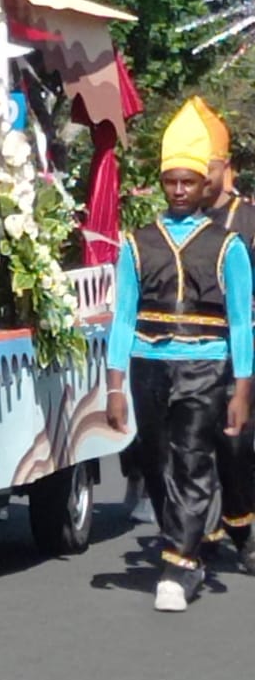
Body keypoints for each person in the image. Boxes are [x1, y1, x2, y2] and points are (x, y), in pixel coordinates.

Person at [105, 101, 253, 612]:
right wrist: (115, 385)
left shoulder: (228, 244)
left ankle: (179, 562)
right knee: (157, 460)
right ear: (163, 184)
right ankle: (184, 541)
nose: (181, 190)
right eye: (172, 182)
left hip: (206, 365)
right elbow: (122, 315)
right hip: (149, 364)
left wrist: (242, 387)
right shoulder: (137, 243)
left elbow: (239, 320)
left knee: (192, 458)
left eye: (190, 181)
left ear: (205, 181)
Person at [189, 97, 255, 563]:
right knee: (191, 445)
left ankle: (241, 523)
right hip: (190, 351)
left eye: (203, 168)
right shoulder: (178, 222)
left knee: (236, 445)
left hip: (241, 348)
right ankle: (201, 530)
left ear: (223, 168)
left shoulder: (248, 220)